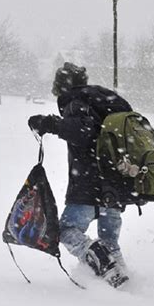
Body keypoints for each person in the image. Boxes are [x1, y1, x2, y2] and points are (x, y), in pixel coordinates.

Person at [28, 62, 132, 288]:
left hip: (89, 186)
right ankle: (124, 284)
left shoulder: (76, 102)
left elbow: (83, 131)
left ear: (60, 87)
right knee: (110, 240)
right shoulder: (103, 102)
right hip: (116, 186)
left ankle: (103, 264)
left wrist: (50, 123)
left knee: (65, 230)